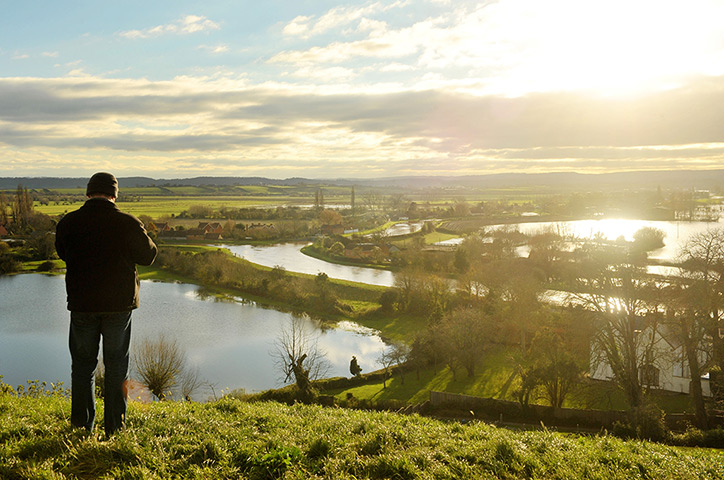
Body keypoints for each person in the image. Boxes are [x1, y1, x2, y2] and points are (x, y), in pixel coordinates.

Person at [55, 172, 157, 436]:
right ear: (114, 194)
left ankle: (81, 428)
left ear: (89, 193)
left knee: (82, 367)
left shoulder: (69, 222)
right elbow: (148, 256)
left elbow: (63, 253)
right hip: (118, 307)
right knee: (116, 367)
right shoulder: (128, 223)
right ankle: (115, 428)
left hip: (82, 305)